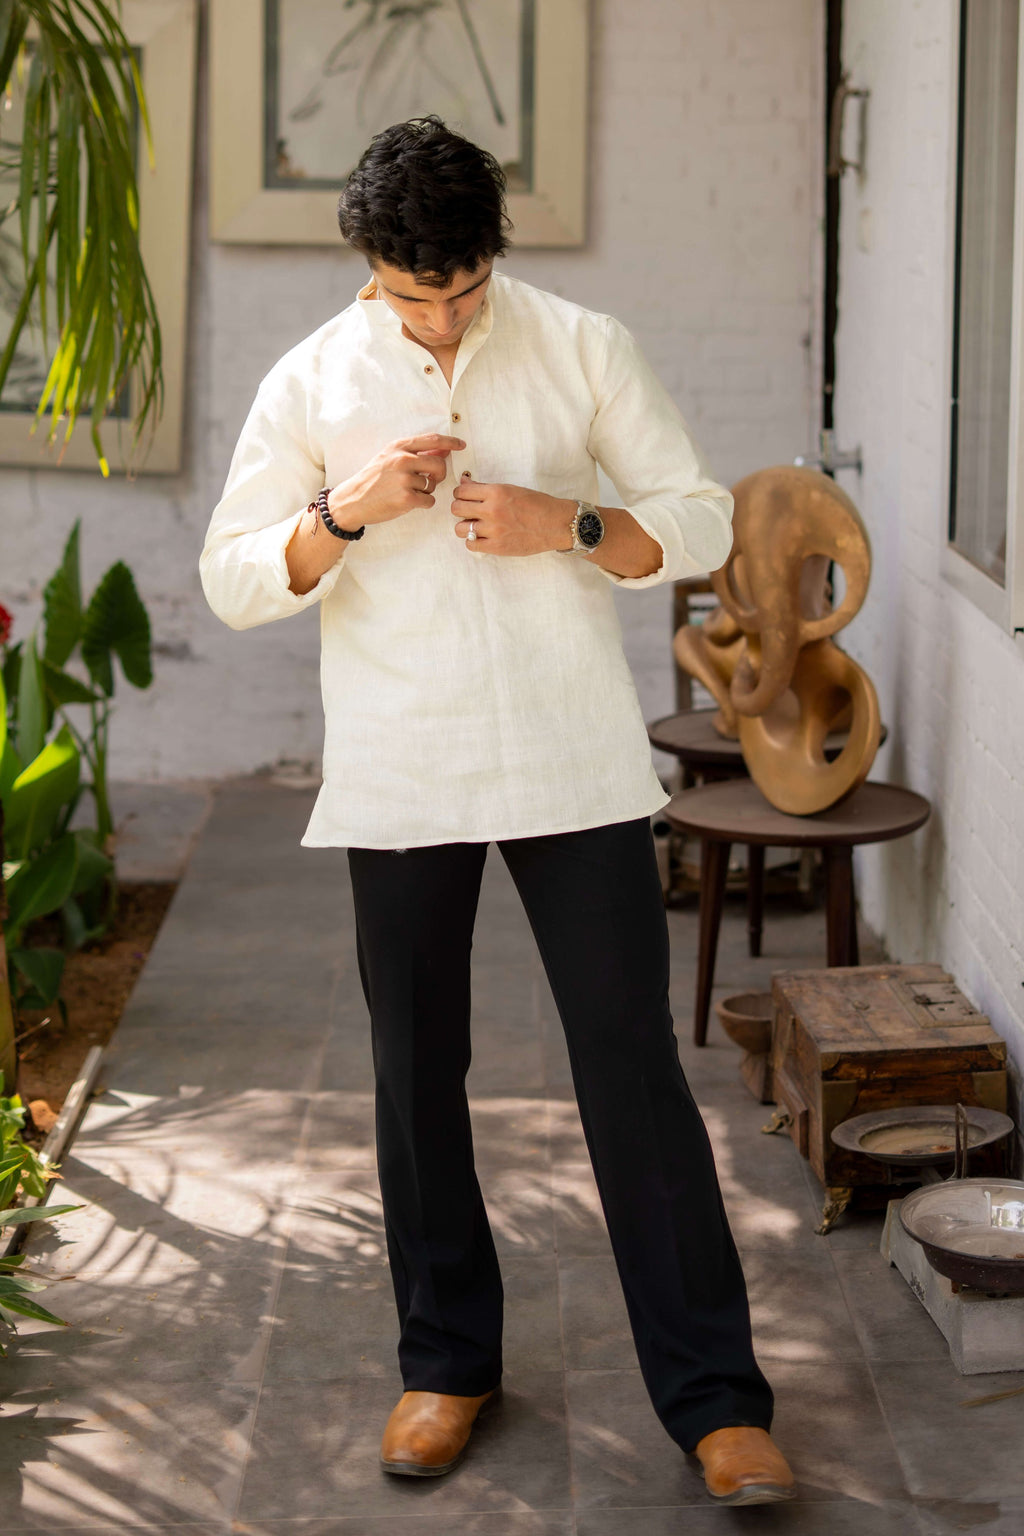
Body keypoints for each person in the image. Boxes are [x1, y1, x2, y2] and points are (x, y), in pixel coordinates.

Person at [199, 115, 796, 1508]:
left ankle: (718, 1400)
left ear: (492, 257)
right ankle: (447, 1365)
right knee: (417, 1073)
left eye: (463, 288)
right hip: (403, 770)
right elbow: (233, 577)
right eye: (416, 296)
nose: (445, 316)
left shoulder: (582, 344)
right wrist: (342, 514)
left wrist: (567, 524)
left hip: (574, 763)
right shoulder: (314, 378)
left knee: (630, 1074)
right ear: (370, 270)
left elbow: (697, 520)